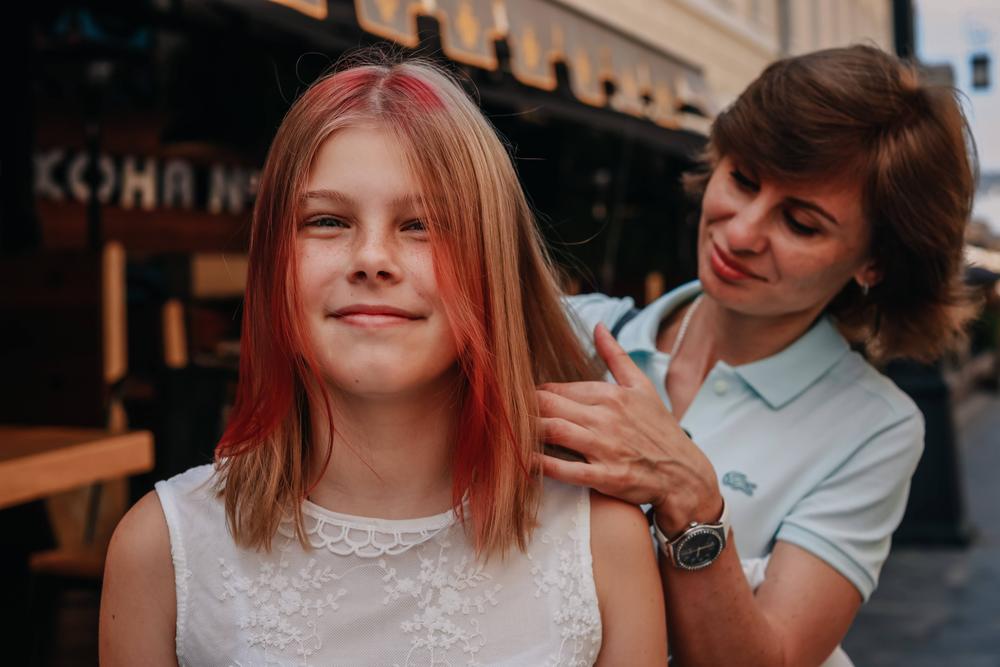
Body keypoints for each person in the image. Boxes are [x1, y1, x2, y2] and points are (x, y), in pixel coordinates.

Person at [99, 56, 666, 666]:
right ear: (272, 264)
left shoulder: (600, 545)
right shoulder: (161, 550)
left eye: (422, 224)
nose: (372, 258)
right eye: (327, 220)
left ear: (492, 265)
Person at [539, 45, 977, 666]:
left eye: (800, 223)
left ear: (873, 263)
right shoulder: (576, 333)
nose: (741, 232)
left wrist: (691, 498)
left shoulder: (874, 426)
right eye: (743, 179)